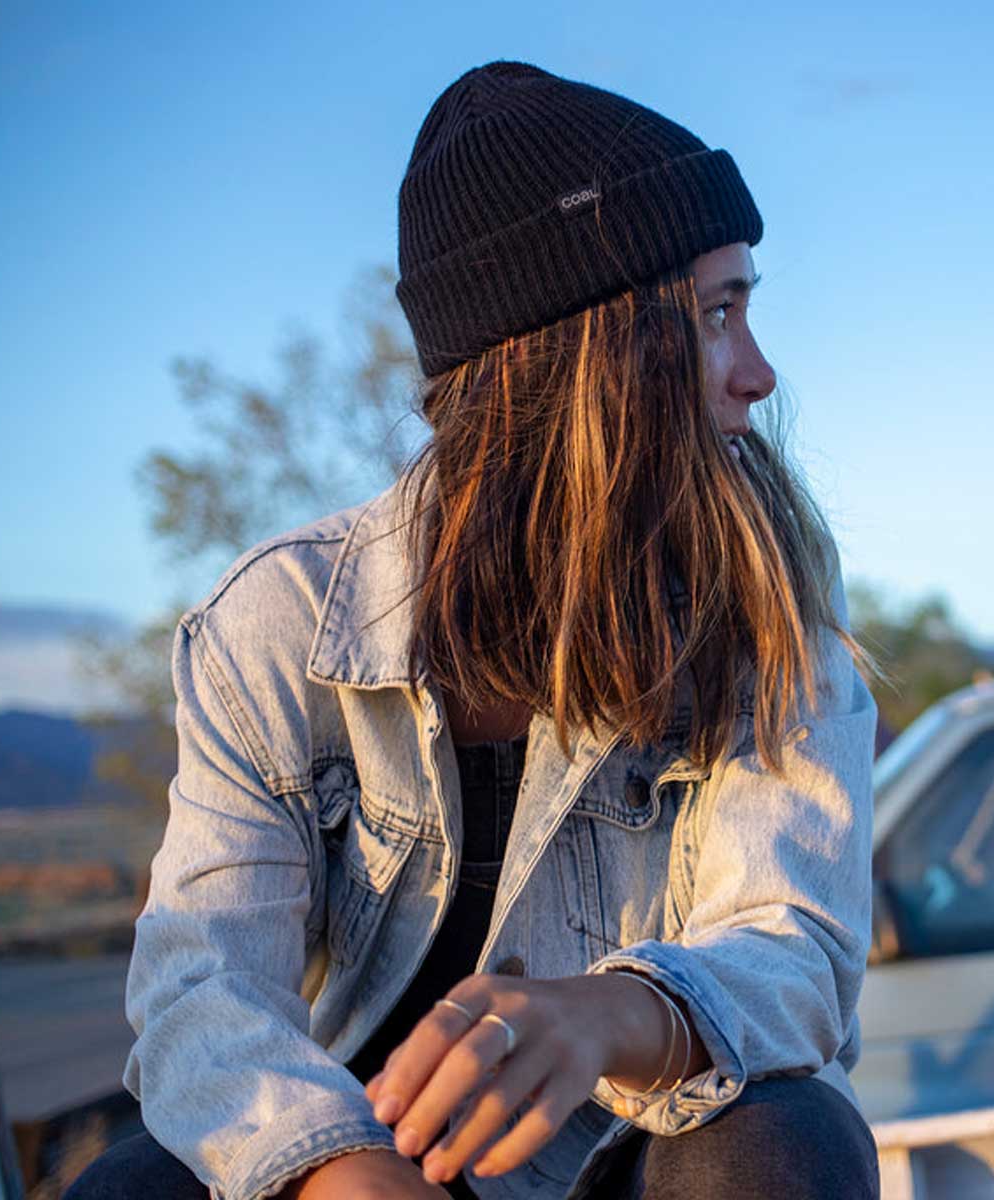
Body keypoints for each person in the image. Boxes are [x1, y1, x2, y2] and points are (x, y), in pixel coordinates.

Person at [67, 61, 880, 1200]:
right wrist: (338, 1167)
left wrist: (608, 1014)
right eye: (715, 314)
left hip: (633, 1156)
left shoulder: (761, 606)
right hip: (383, 1154)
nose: (758, 371)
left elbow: (794, 948)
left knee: (782, 1138)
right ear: (589, 358)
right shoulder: (279, 626)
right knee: (133, 1187)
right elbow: (201, 989)